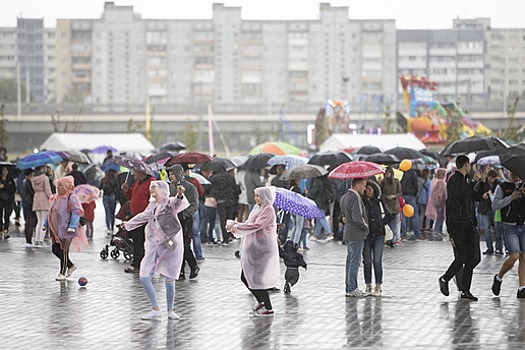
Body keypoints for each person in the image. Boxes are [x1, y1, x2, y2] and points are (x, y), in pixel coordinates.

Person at [122, 181, 189, 320]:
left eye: (155, 188)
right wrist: (128, 224)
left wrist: (180, 194)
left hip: (171, 245)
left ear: (163, 190)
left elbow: (178, 202)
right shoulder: (152, 205)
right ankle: (155, 309)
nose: (152, 191)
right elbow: (143, 216)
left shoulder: (169, 202)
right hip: (154, 244)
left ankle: (170, 310)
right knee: (144, 276)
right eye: (151, 189)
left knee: (170, 278)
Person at [226, 186, 280, 316]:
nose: (256, 198)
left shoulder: (268, 210)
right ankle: (261, 301)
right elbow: (250, 223)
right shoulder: (258, 208)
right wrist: (236, 225)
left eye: (258, 195)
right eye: (255, 195)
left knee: (255, 278)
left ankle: (268, 306)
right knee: (248, 276)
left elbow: (257, 225)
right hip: (254, 247)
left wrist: (237, 226)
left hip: (262, 248)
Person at [438, 155, 482, 301]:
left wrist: (479, 182)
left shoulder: (466, 181)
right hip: (457, 225)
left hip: (469, 224)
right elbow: (462, 194)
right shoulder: (454, 180)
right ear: (466, 164)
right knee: (462, 256)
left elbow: (476, 197)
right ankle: (445, 279)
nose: (471, 168)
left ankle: (464, 289)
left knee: (474, 257)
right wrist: (472, 181)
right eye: (470, 165)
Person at [43, 176, 88, 281]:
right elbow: (50, 212)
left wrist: (72, 226)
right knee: (55, 249)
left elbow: (76, 212)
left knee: (64, 250)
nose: (58, 188)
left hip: (67, 228)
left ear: (67, 186)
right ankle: (71, 265)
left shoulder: (71, 197)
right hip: (56, 229)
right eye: (57, 185)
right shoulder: (55, 197)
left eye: (61, 185)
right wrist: (46, 224)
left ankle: (62, 273)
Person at [491, 171, 525, 299]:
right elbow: (495, 205)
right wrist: (511, 197)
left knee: (523, 257)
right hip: (509, 226)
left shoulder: (523, 186)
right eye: (512, 172)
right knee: (514, 255)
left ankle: (522, 287)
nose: (515, 174)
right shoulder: (502, 187)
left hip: (523, 224)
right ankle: (499, 277)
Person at [167, 165, 200, 280]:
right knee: (175, 246)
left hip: (185, 220)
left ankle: (193, 265)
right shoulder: (171, 187)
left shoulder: (190, 187)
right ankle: (180, 271)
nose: (170, 176)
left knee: (185, 245)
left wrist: (185, 214)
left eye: (172, 174)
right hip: (173, 220)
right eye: (169, 174)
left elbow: (194, 204)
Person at [121, 169, 155, 273]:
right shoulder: (137, 183)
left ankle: (138, 264)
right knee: (136, 241)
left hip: (145, 218)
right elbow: (132, 196)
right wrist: (127, 191)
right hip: (136, 217)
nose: (133, 174)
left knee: (142, 242)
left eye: (135, 172)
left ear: (142, 172)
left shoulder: (151, 182)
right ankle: (138, 262)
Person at [362, 181, 391, 297]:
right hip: (366, 235)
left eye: (371, 188)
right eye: (367, 188)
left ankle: (378, 285)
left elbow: (389, 215)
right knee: (367, 261)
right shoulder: (362, 202)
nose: (369, 190)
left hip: (379, 235)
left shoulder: (379, 202)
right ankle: (368, 285)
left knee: (377, 261)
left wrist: (381, 223)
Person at [340, 178, 369, 297]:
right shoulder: (355, 197)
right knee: (354, 261)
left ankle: (348, 286)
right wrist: (366, 226)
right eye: (363, 186)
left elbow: (344, 216)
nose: (365, 188)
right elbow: (358, 217)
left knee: (350, 260)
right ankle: (352, 287)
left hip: (348, 232)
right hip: (356, 233)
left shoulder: (344, 197)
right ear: (357, 186)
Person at [474, 168, 499, 254]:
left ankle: (498, 247)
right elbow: (476, 193)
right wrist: (483, 195)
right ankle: (490, 247)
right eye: (491, 178)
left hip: (495, 209)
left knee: (497, 228)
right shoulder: (482, 183)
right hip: (485, 209)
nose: (492, 180)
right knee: (486, 229)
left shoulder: (498, 184)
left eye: (494, 178)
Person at [308, 174, 334, 241]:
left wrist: (309, 196)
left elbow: (314, 192)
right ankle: (316, 235)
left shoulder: (318, 181)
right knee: (319, 219)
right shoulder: (327, 181)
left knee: (321, 218)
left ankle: (330, 233)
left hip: (319, 202)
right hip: (325, 202)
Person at [31, 166, 53, 246]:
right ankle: (41, 239)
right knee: (44, 221)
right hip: (44, 198)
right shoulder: (45, 178)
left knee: (39, 220)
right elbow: (48, 190)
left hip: (36, 197)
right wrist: (52, 198)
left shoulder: (33, 178)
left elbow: (34, 189)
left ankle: (37, 239)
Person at [380, 166, 402, 245]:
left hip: (395, 204)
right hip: (387, 204)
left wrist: (394, 196)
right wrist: (386, 197)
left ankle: (397, 238)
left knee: (396, 222)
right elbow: (380, 194)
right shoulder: (383, 183)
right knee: (389, 222)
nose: (387, 174)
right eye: (386, 173)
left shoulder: (396, 181)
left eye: (388, 172)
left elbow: (400, 192)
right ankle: (390, 238)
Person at [425, 168, 448, 241]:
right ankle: (437, 230)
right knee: (439, 217)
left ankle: (438, 230)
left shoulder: (434, 181)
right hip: (440, 203)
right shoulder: (442, 183)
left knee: (439, 217)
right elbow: (441, 194)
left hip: (435, 202)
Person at [400, 165, 421, 240]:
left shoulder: (400, 172)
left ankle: (403, 233)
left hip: (402, 195)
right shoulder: (412, 173)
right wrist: (415, 193)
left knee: (403, 215)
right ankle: (416, 233)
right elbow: (416, 185)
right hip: (411, 195)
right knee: (414, 214)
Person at [21, 169, 37, 247]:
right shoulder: (27, 183)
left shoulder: (25, 182)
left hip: (27, 205)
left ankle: (28, 239)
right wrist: (32, 202)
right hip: (29, 205)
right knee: (30, 222)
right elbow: (28, 195)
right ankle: (29, 240)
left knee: (29, 222)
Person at [100, 169, 118, 235]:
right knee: (112, 213)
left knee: (107, 213)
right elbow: (117, 189)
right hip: (113, 197)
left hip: (105, 197)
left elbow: (99, 187)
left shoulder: (103, 180)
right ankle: (112, 227)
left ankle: (108, 228)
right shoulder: (115, 180)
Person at [0, 166, 16, 237]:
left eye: (6, 170)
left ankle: (6, 229)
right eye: (3, 170)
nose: (5, 172)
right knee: (0, 215)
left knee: (7, 215)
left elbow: (13, 189)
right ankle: (0, 230)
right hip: (0, 199)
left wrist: (4, 186)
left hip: (8, 199)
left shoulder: (10, 179)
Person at [418, 169, 432, 233]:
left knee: (422, 214)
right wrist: (430, 200)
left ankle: (420, 226)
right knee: (428, 214)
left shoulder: (419, 181)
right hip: (427, 200)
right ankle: (427, 226)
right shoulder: (429, 182)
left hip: (421, 199)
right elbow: (429, 192)